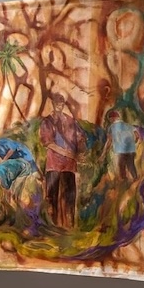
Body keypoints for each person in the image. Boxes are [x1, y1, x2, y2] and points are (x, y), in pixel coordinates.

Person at [39, 92, 86, 229]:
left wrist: (80, 151)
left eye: (61, 103)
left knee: (70, 197)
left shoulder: (71, 121)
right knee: (51, 197)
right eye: (57, 103)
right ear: (53, 104)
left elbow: (81, 137)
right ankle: (51, 227)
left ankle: (69, 228)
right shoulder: (47, 121)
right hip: (54, 164)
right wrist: (69, 154)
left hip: (69, 166)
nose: (59, 105)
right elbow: (48, 143)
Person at [106, 110, 139, 180]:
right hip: (131, 150)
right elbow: (137, 135)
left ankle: (124, 181)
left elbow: (109, 140)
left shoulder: (111, 127)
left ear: (112, 118)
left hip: (120, 151)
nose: (110, 120)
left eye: (110, 119)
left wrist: (104, 152)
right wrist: (134, 142)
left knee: (121, 166)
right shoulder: (128, 125)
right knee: (131, 165)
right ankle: (135, 178)